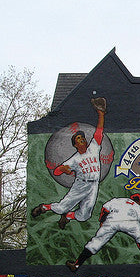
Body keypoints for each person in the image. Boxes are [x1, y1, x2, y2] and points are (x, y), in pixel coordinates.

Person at [31, 97, 107, 229]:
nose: (81, 138)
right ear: (75, 145)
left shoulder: (93, 148)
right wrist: (63, 169)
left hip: (94, 185)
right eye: (78, 138)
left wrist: (101, 114)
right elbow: (57, 171)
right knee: (61, 207)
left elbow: (99, 131)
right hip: (81, 185)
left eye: (82, 137)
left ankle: (67, 217)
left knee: (85, 216)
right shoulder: (74, 159)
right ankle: (43, 207)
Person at [65, 193, 140, 272]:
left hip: (113, 220)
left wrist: (102, 222)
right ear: (139, 202)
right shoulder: (137, 207)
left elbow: (105, 209)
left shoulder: (118, 200)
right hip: (130, 223)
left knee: (96, 242)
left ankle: (76, 264)